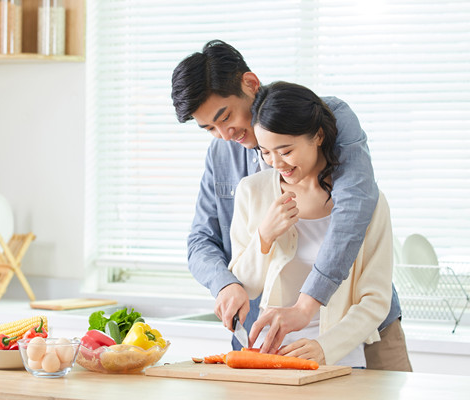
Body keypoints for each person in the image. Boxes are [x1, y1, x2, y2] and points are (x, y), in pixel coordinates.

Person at [171, 40, 412, 371]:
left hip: (361, 334)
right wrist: (226, 284)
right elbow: (202, 240)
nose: (224, 135)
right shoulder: (234, 169)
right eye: (209, 129)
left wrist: (306, 308)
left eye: (224, 117)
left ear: (250, 84)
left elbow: (356, 207)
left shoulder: (327, 118)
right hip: (268, 337)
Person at [228, 81, 393, 367]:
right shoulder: (252, 191)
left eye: (286, 150)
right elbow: (247, 287)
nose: (276, 163)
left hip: (338, 358)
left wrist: (324, 347)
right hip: (270, 358)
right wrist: (264, 237)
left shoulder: (369, 203)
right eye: (265, 152)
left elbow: (375, 299)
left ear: (317, 136)